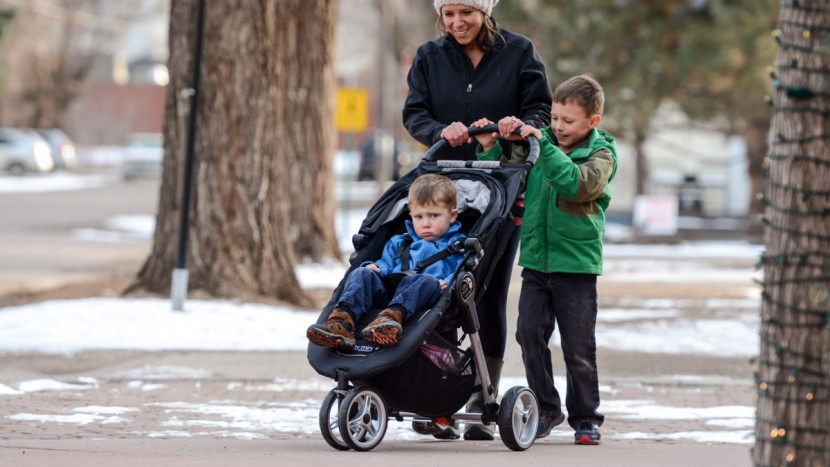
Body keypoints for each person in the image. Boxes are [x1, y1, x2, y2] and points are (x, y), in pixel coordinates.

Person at [402, 0, 553, 441]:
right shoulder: (430, 57)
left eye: (466, 12)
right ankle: (435, 392)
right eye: (449, 14)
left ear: (485, 12)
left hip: (502, 193)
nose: (456, 23)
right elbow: (415, 113)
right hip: (442, 191)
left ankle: (481, 396)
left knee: (485, 295)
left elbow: (541, 111)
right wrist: (438, 131)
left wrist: (519, 124)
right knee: (436, 288)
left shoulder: (520, 52)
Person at [472, 74, 617, 445]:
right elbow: (505, 174)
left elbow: (576, 184)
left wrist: (542, 142)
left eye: (568, 121)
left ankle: (586, 417)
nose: (558, 127)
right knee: (528, 334)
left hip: (576, 267)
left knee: (578, 346)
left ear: (592, 122)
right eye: (554, 118)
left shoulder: (602, 155)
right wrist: (490, 144)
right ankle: (547, 408)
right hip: (536, 262)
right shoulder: (543, 142)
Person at [307, 173, 466, 349]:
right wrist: (376, 267)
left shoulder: (458, 246)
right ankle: (341, 322)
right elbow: (386, 263)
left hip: (427, 296)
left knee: (424, 280)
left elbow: (462, 272)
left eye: (434, 216)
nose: (425, 223)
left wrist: (449, 282)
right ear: (411, 215)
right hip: (390, 293)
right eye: (419, 217)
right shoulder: (399, 241)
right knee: (361, 272)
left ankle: (391, 320)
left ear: (452, 216)